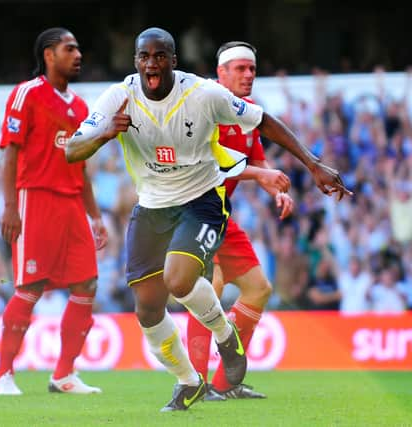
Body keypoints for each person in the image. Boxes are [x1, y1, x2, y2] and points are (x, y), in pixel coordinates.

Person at [66, 27, 351, 412]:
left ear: (173, 61)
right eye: (145, 56)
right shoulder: (118, 97)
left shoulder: (202, 93)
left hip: (200, 202)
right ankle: (188, 382)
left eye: (160, 55)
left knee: (180, 279)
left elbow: (264, 121)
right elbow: (71, 150)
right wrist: (103, 136)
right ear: (136, 61)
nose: (152, 63)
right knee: (147, 311)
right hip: (151, 209)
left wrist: (313, 164)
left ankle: (225, 335)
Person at [0, 27, 108, 396]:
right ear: (48, 54)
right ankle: (3, 375)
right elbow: (10, 153)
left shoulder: (81, 107)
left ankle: (63, 375)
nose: (78, 55)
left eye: (78, 49)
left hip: (72, 203)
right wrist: (11, 206)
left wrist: (96, 216)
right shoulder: (26, 94)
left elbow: (82, 165)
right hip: (35, 199)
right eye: (69, 48)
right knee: (31, 287)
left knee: (87, 283)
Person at [186, 41, 294, 401]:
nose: (249, 75)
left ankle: (224, 383)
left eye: (252, 69)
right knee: (209, 288)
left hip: (220, 214)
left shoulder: (249, 114)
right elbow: (210, 164)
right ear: (221, 73)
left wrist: (275, 189)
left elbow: (258, 162)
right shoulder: (204, 106)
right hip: (192, 210)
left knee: (258, 289)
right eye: (240, 69)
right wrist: (262, 177)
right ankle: (195, 384)